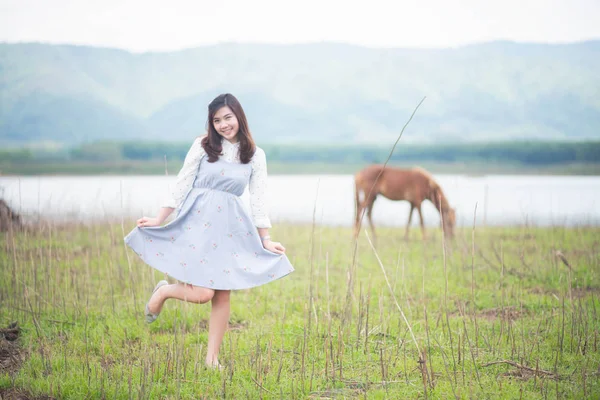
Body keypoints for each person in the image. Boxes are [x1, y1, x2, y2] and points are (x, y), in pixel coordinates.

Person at [124, 93, 294, 369]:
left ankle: (212, 359)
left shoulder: (255, 155)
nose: (223, 125)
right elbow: (182, 183)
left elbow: (259, 198)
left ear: (239, 116)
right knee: (203, 293)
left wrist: (266, 239)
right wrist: (159, 218)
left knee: (223, 293)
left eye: (228, 117)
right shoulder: (203, 146)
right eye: (217, 120)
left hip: (230, 228)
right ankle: (164, 292)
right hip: (197, 223)